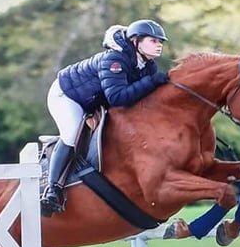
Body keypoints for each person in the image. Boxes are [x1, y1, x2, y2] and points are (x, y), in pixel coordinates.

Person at [40, 19, 170, 217]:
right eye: (153, 40)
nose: (159, 44)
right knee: (72, 132)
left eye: (160, 41)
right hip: (68, 95)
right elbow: (117, 97)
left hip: (94, 99)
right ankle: (52, 189)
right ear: (136, 41)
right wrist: (152, 82)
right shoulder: (114, 59)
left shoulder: (147, 65)